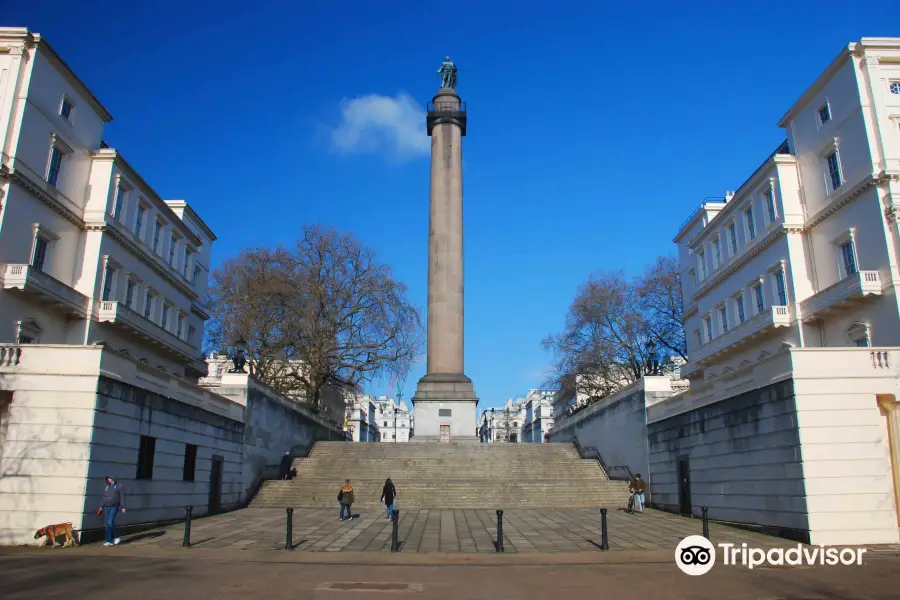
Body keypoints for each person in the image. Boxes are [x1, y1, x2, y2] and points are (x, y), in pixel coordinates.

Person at [98, 475, 125, 546]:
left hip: (114, 506)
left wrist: (122, 506)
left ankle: (117, 536)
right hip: (106, 506)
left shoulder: (119, 486)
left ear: (113, 479)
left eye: (110, 479)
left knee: (110, 522)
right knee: (107, 524)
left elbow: (122, 497)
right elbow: (103, 497)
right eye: (108, 479)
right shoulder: (107, 486)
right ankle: (108, 540)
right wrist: (101, 506)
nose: (109, 480)